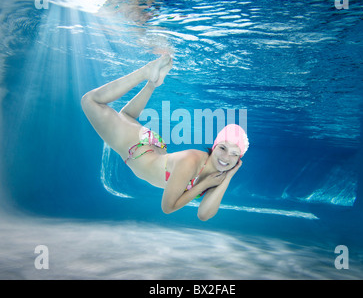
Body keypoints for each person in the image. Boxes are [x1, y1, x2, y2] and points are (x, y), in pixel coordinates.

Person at [81, 55, 249, 221]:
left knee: (126, 116)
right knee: (90, 101)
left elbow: (204, 214)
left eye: (235, 154)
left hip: (153, 147)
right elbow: (168, 207)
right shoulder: (191, 161)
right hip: (135, 147)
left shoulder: (218, 174)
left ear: (239, 159)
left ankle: (152, 83)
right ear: (214, 146)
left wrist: (228, 176)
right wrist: (203, 185)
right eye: (223, 148)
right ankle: (145, 72)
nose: (226, 157)